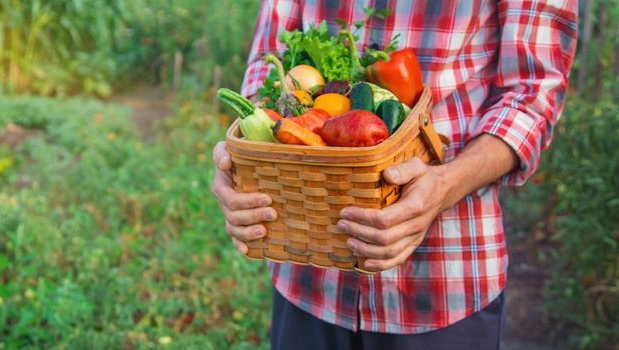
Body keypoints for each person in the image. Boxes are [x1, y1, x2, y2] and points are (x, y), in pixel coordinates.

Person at [211, 1, 578, 349]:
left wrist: (444, 186)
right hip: (306, 275)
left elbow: (532, 93)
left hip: (442, 277)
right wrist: (243, 155)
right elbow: (268, 59)